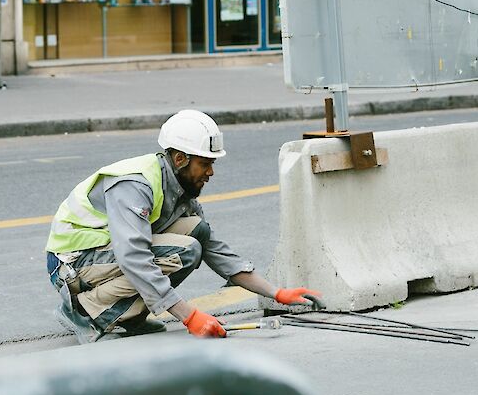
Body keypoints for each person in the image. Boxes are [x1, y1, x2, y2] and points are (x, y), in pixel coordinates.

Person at [45, 109, 321, 343]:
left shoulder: (177, 188)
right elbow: (134, 258)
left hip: (101, 258)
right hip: (73, 265)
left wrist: (276, 292)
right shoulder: (135, 185)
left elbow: (214, 248)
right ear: (180, 159)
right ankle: (86, 314)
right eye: (205, 164)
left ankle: (128, 318)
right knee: (185, 250)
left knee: (196, 231)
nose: (211, 172)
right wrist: (189, 316)